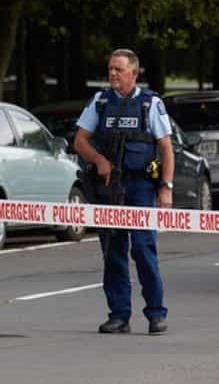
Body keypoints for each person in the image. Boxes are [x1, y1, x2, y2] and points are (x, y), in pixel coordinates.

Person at [73, 49, 174, 335]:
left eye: (119, 69)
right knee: (113, 252)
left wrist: (165, 188)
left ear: (133, 73)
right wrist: (99, 160)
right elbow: (80, 140)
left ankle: (156, 313)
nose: (113, 74)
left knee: (143, 249)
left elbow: (166, 148)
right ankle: (119, 316)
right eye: (110, 69)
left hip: (141, 186)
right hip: (108, 188)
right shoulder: (100, 102)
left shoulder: (149, 103)